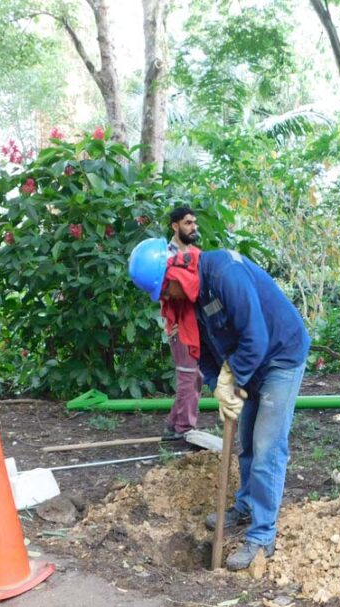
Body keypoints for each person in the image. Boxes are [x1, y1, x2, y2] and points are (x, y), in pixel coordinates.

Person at [129, 239, 309, 571]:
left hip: (280, 355)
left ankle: (262, 534)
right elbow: (204, 351)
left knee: (267, 445)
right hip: (249, 360)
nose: (165, 298)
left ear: (175, 272)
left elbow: (256, 336)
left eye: (165, 289)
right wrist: (219, 387)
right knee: (247, 443)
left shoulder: (225, 274)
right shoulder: (189, 299)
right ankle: (244, 506)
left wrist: (233, 375)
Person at [160, 206, 204, 440]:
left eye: (194, 222)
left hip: (195, 323)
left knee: (195, 376)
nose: (193, 227)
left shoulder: (194, 253)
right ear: (175, 226)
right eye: (188, 223)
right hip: (179, 325)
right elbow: (165, 291)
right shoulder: (165, 257)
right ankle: (184, 429)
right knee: (188, 375)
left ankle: (173, 425)